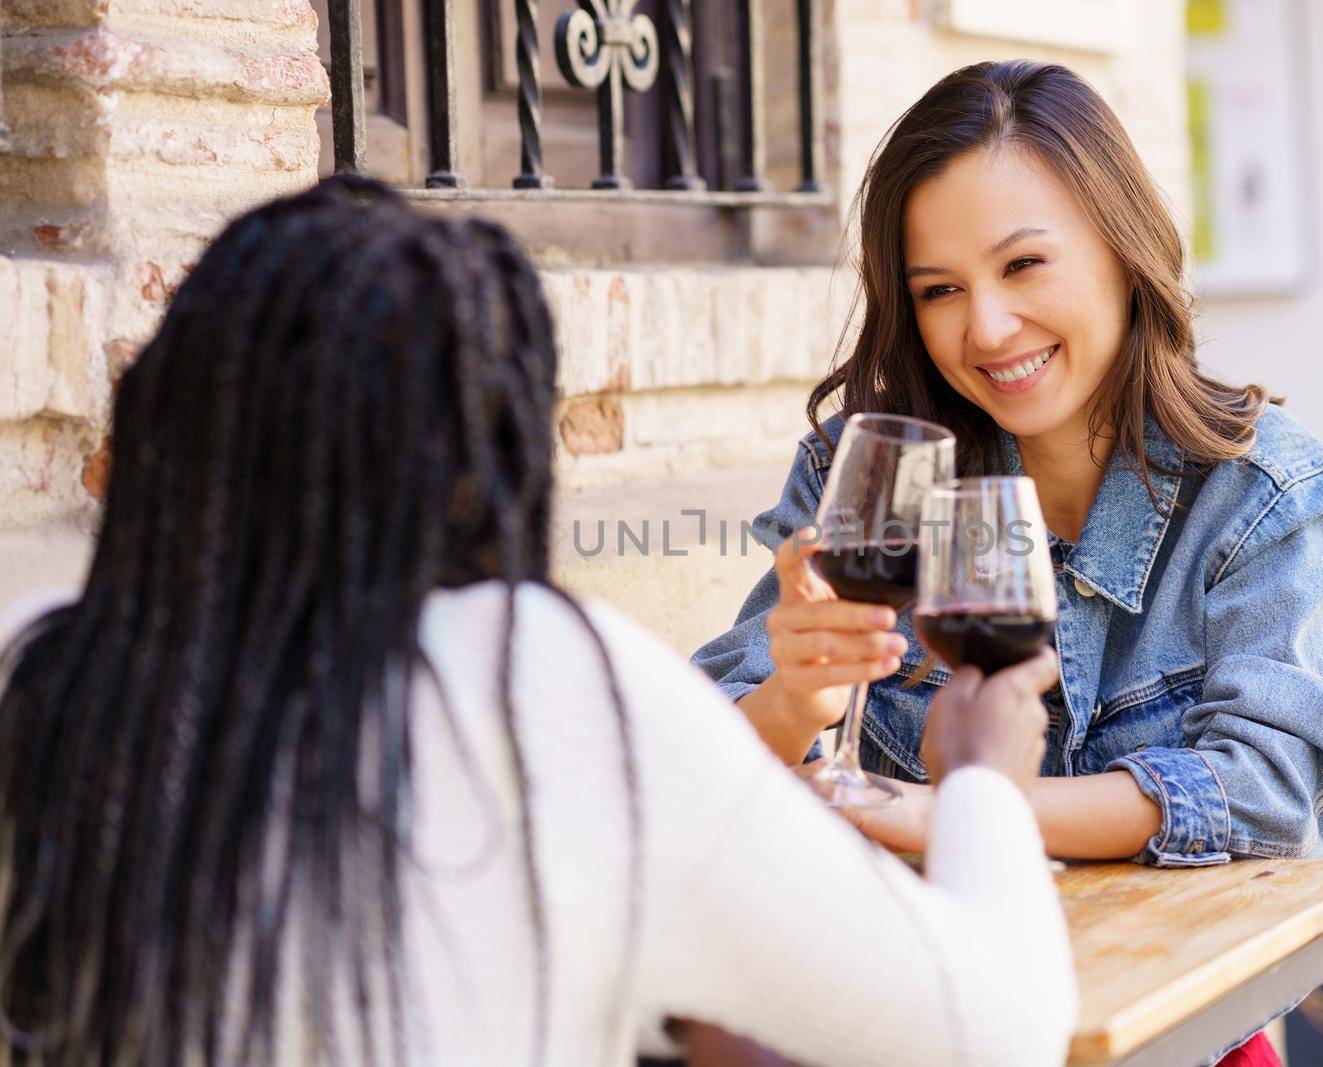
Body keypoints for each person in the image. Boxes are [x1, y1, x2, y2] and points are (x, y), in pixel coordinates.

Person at [0, 177, 1075, 1067]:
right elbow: (992, 1029)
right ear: (490, 455)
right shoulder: (538, 679)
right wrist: (981, 772)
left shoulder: (39, 665)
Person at [691, 60, 1323, 1065]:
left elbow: (1266, 788)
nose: (984, 328)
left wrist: (963, 806)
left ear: (1120, 246)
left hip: (1164, 1024)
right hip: (916, 1013)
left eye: (1022, 267)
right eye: (939, 289)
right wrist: (797, 698)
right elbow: (698, 760)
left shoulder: (1264, 499)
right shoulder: (872, 481)